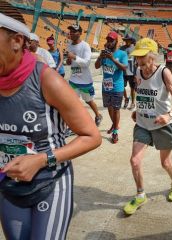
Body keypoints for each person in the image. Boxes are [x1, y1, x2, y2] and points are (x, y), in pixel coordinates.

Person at [0, 12, 101, 240]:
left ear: (16, 41)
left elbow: (92, 136)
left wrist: (41, 159)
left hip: (50, 183)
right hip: (9, 185)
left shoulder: (47, 80)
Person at [122, 38, 172, 215]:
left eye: (141, 57)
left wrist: (169, 115)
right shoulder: (138, 71)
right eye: (136, 57)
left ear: (152, 56)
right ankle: (141, 195)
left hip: (163, 125)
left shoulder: (164, 72)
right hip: (142, 124)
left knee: (165, 163)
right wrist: (137, 109)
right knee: (134, 161)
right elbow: (142, 94)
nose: (138, 61)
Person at [66, 23, 103, 127]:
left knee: (89, 101)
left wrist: (73, 57)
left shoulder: (85, 45)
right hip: (73, 80)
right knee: (73, 103)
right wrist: (69, 60)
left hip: (85, 81)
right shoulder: (69, 45)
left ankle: (98, 115)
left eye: (74, 31)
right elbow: (69, 63)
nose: (72, 33)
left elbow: (86, 63)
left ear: (80, 33)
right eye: (71, 31)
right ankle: (74, 124)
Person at [95, 31, 128, 143]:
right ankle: (114, 125)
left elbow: (125, 68)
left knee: (116, 108)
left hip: (117, 87)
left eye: (111, 40)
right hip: (106, 86)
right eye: (108, 40)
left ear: (116, 41)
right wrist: (100, 57)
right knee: (109, 107)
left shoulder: (122, 54)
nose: (109, 42)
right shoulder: (104, 53)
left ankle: (115, 132)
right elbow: (96, 66)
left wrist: (113, 59)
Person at [120, 34, 136, 110]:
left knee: (132, 87)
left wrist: (136, 73)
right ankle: (126, 98)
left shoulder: (135, 49)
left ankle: (133, 103)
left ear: (131, 40)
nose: (127, 41)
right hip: (122, 71)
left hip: (131, 71)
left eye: (128, 40)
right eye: (126, 40)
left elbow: (136, 61)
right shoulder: (121, 48)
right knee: (122, 86)